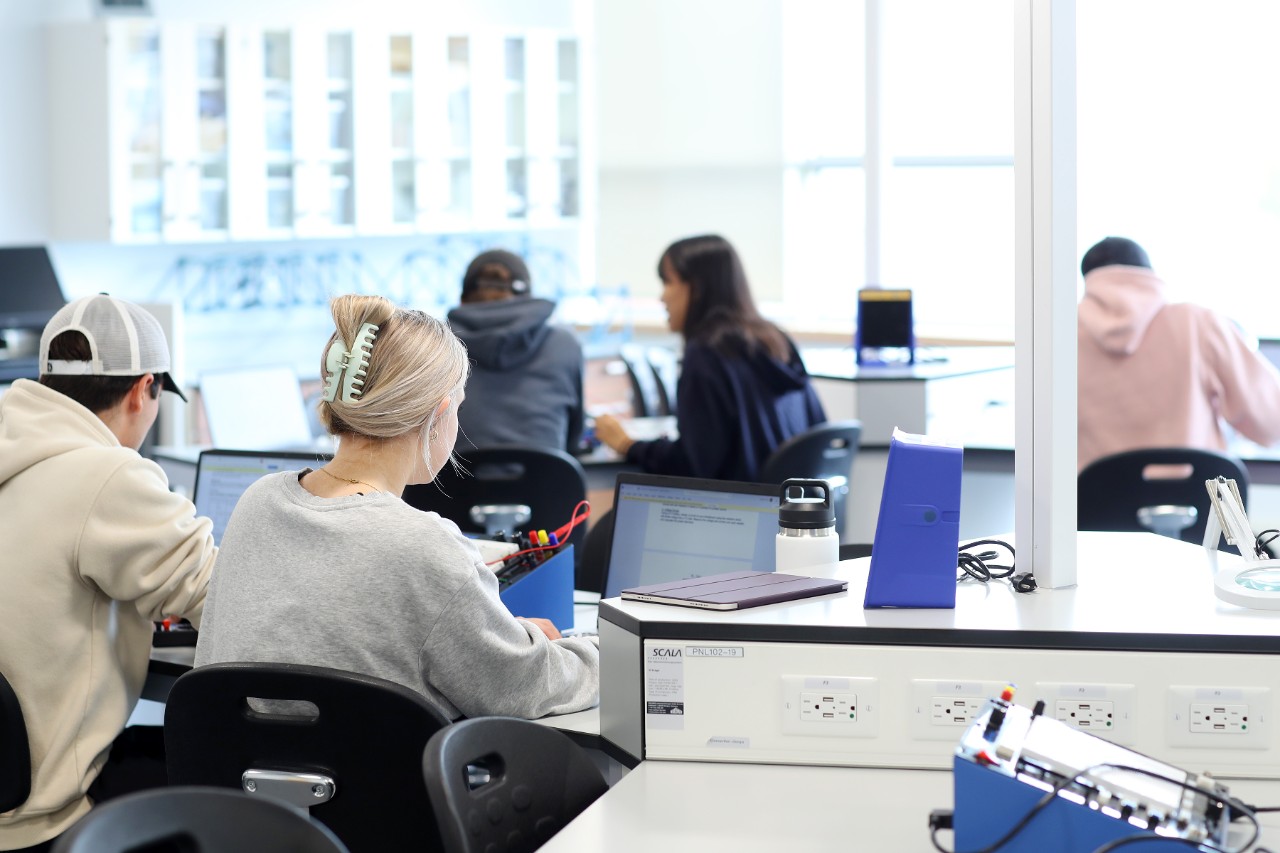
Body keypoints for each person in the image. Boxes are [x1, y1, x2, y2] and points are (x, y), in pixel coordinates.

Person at [194, 294, 598, 721]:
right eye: (458, 407)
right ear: (439, 412)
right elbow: (525, 688)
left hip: (236, 783)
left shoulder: (259, 501)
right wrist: (591, 651)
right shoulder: (425, 544)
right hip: (383, 786)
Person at [0, 294, 214, 852]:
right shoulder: (109, 475)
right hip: (42, 816)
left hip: (5, 785)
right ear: (146, 388)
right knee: (220, 769)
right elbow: (223, 595)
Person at [594, 234, 827, 482]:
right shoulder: (775, 339)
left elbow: (692, 466)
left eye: (668, 282)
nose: (662, 297)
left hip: (739, 514)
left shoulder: (706, 354)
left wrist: (628, 445)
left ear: (696, 288)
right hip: (791, 511)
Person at [1077, 236, 1280, 472]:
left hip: (1095, 504)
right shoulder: (1199, 323)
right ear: (1148, 275)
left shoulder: (1062, 336)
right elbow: (1271, 423)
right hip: (1194, 504)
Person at [446, 249, 585, 455]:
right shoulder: (565, 345)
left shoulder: (435, 347)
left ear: (463, 300)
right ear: (527, 299)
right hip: (548, 484)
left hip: (451, 486)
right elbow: (574, 440)